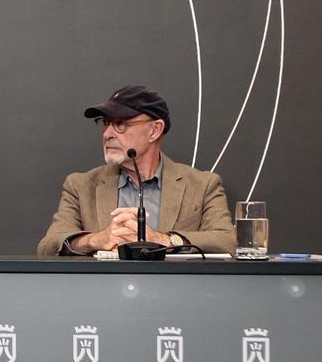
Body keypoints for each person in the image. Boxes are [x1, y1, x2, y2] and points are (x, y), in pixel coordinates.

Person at [37, 85, 237, 256]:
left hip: (174, 295)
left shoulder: (202, 185)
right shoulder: (81, 185)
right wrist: (97, 239)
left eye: (120, 124)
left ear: (154, 130)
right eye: (105, 123)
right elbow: (48, 246)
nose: (107, 134)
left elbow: (227, 242)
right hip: (103, 295)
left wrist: (161, 240)